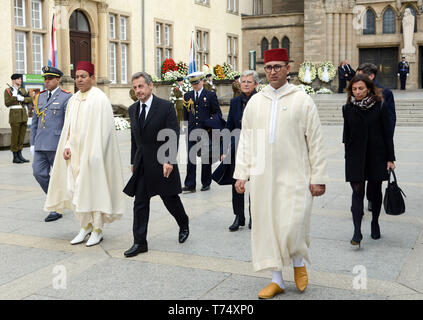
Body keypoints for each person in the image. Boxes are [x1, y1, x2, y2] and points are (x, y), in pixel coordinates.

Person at [234, 48, 328, 299]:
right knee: (267, 226)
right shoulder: (256, 101)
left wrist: (318, 177)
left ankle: (298, 263)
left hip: (296, 174)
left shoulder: (302, 100)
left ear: (288, 68)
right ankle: (276, 279)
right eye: (269, 67)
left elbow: (315, 141)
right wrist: (241, 173)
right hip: (264, 177)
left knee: (293, 223)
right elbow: (246, 139)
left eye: (278, 66)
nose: (273, 71)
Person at [44, 61, 126, 247]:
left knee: (93, 190)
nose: (79, 80)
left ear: (92, 78)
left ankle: (97, 229)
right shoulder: (73, 100)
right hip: (74, 155)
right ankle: (85, 226)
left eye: (83, 76)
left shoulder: (99, 99)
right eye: (77, 77)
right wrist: (66, 145)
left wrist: (95, 153)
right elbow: (69, 127)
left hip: (94, 156)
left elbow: (104, 131)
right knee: (75, 190)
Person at [123, 72, 190, 257]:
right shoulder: (133, 109)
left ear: (150, 86)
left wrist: (169, 160)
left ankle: (183, 223)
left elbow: (172, 134)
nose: (138, 90)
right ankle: (139, 242)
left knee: (170, 199)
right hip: (143, 163)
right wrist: (132, 161)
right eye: (135, 87)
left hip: (162, 161)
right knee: (140, 202)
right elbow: (134, 139)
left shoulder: (165, 107)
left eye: (141, 86)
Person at [342, 74, 396, 247]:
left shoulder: (380, 106)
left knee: (374, 192)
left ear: (369, 89)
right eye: (354, 89)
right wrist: (347, 155)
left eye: (361, 89)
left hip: (376, 155)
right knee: (357, 192)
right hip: (355, 157)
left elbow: (387, 133)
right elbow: (347, 134)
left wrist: (390, 158)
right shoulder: (347, 108)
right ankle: (357, 232)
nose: (357, 92)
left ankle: (375, 222)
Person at [30, 66, 72, 222]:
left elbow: (69, 123)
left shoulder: (67, 97)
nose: (46, 82)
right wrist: (32, 143)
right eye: (45, 79)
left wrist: (68, 143)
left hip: (57, 144)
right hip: (41, 143)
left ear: (57, 80)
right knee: (38, 173)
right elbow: (34, 121)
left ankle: (57, 206)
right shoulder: (39, 97)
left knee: (61, 178)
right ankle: (54, 199)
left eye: (49, 79)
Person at [356, 63, 396, 212]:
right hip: (360, 142)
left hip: (378, 142)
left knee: (374, 175)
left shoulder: (385, 93)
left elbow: (391, 119)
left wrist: (387, 140)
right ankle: (360, 199)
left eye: (361, 75)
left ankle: (372, 199)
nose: (357, 79)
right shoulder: (357, 91)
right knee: (360, 173)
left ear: (371, 76)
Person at [222, 70, 258, 231]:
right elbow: (229, 126)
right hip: (237, 148)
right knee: (236, 182)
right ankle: (239, 216)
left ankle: (254, 216)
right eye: (243, 81)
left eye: (248, 82)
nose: (245, 84)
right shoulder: (235, 102)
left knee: (256, 184)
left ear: (256, 84)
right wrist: (224, 150)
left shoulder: (260, 101)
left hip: (258, 148)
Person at [182, 71, 223, 193]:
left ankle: (206, 182)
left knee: (206, 158)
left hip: (205, 131)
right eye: (193, 83)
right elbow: (185, 115)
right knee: (190, 158)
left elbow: (217, 113)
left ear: (202, 81)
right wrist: (185, 129)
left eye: (197, 82)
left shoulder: (210, 95)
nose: (195, 85)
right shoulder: (187, 96)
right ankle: (190, 184)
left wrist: (210, 123)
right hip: (191, 131)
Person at [4, 73, 33, 163]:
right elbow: (7, 103)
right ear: (14, 80)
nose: (20, 80)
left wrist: (22, 99)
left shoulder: (23, 90)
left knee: (21, 136)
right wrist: (14, 96)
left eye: (20, 79)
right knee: (15, 137)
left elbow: (30, 99)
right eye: (18, 79)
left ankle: (20, 154)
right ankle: (15, 156)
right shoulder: (8, 90)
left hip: (23, 115)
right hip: (15, 116)